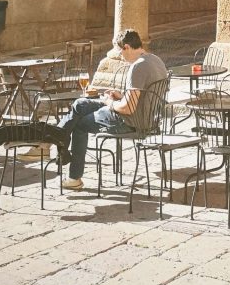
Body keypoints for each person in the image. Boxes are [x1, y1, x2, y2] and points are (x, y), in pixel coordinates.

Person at [58, 28, 168, 189]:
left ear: (127, 47)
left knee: (79, 124)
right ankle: (55, 136)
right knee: (81, 104)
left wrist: (110, 103)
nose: (121, 57)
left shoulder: (137, 67)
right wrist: (120, 95)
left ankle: (73, 175)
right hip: (146, 117)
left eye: (120, 52)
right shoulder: (155, 60)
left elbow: (128, 108)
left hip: (131, 121)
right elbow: (142, 96)